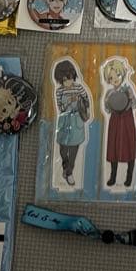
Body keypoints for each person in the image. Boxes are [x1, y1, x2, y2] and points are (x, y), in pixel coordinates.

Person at [101, 57, 136, 187]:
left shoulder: (127, 89)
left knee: (129, 146)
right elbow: (107, 109)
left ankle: (129, 177)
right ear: (108, 80)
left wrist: (131, 97)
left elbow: (135, 104)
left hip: (127, 120)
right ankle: (113, 176)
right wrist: (108, 102)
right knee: (114, 147)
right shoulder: (109, 92)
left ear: (122, 74)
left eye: (117, 75)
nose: (115, 79)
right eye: (111, 77)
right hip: (115, 121)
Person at [54, 58, 91, 187]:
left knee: (74, 149)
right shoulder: (59, 91)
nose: (68, 82)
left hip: (76, 120)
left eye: (69, 78)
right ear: (60, 80)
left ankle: (69, 173)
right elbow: (60, 107)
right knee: (63, 149)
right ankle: (65, 167)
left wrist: (84, 107)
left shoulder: (79, 88)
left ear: (73, 76)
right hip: (64, 121)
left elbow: (86, 100)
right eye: (64, 80)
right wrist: (68, 103)